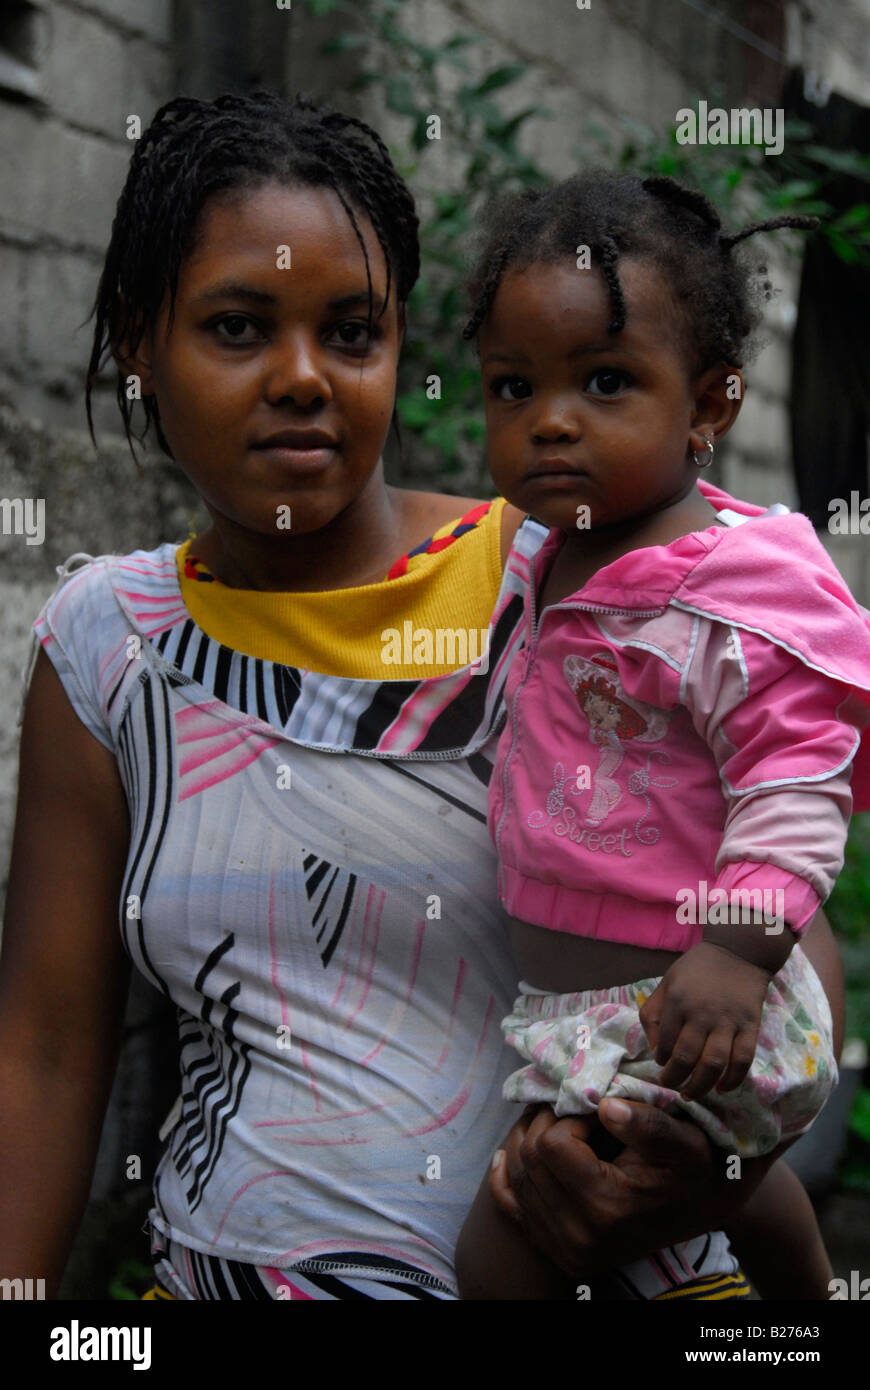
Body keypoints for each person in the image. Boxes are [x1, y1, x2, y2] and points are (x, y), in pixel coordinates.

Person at [0, 96, 845, 1302]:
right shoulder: (109, 647)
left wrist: (687, 1160)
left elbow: (788, 919)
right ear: (140, 343)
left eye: (352, 332)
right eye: (238, 328)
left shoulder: (566, 580)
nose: (303, 379)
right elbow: (42, 1050)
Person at [454, 171, 870, 1299]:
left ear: (711, 404)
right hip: (586, 1010)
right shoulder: (541, 555)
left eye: (605, 381)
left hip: (689, 1006)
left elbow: (797, 780)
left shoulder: (738, 585)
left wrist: (737, 951)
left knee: (501, 1252)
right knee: (719, 1192)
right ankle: (802, 1285)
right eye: (512, 385)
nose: (550, 417)